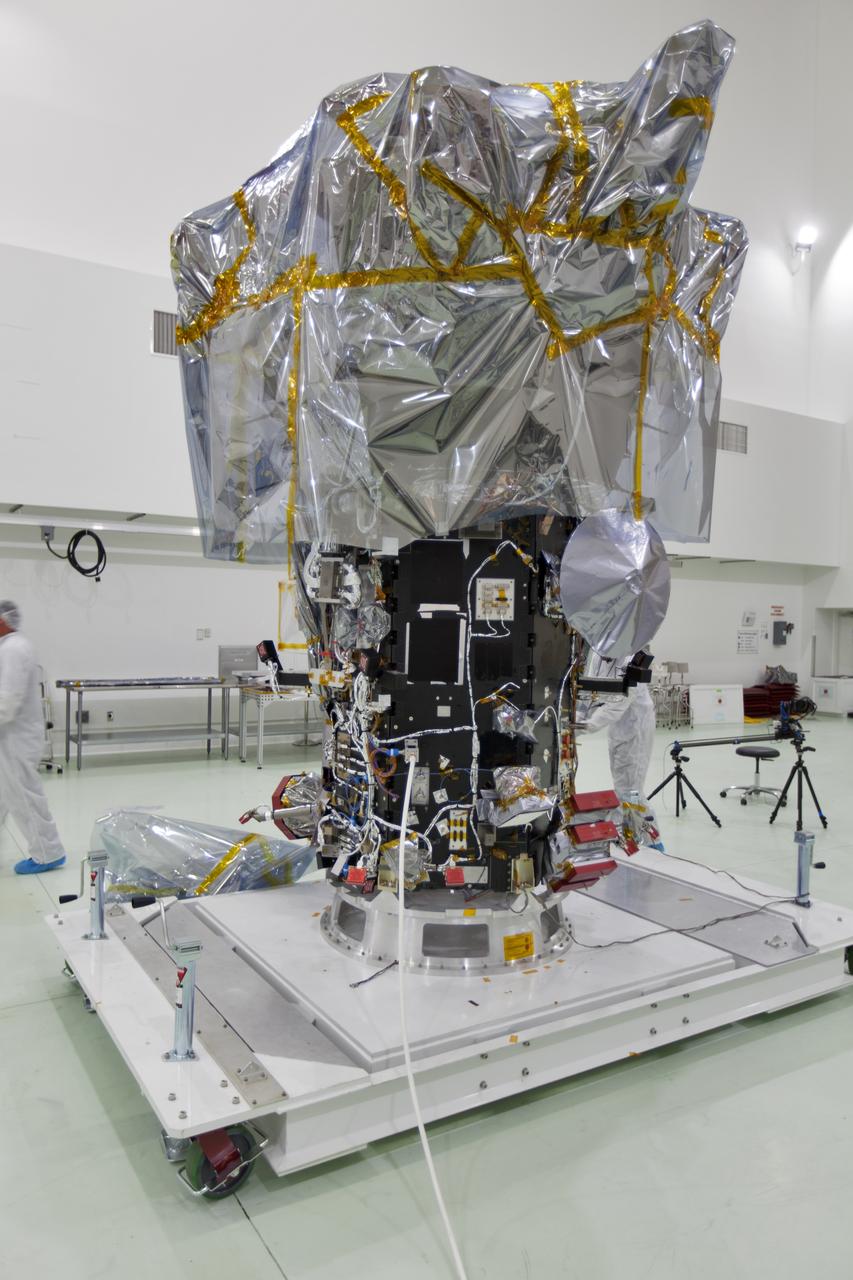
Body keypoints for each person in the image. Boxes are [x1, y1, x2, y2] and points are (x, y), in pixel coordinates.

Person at [0, 601, 67, 873]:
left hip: (17, 737)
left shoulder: (13, 649)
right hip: (11, 735)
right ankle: (45, 849)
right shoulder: (10, 646)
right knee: (5, 794)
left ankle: (47, 852)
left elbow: (9, 699)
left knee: (23, 796)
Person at [580, 647, 664, 851]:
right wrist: (575, 719)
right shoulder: (599, 652)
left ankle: (652, 845)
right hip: (618, 728)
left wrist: (585, 725)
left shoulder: (630, 653)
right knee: (623, 789)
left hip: (635, 727)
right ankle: (633, 843)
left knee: (630, 791)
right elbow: (590, 693)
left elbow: (620, 702)